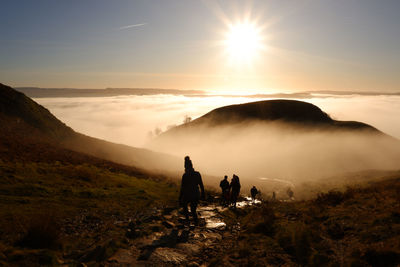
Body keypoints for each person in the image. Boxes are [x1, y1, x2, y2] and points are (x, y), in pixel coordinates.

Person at [179, 156, 205, 225]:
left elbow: (182, 188)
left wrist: (180, 197)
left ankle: (188, 220)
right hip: (196, 194)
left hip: (187, 194)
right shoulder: (197, 174)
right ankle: (196, 222)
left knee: (185, 206)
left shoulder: (185, 175)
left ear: (185, 167)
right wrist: (203, 194)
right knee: (193, 210)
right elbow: (201, 185)